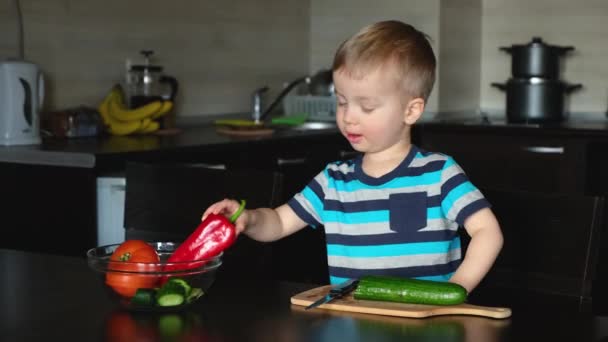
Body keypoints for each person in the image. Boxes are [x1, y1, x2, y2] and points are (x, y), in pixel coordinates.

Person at [202, 20, 503, 293]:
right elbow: (279, 223)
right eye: (342, 102)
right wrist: (247, 218)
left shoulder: (439, 174)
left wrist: (456, 290)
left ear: (411, 110)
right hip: (354, 321)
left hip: (426, 325)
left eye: (367, 107)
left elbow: (488, 232)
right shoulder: (334, 180)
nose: (349, 118)